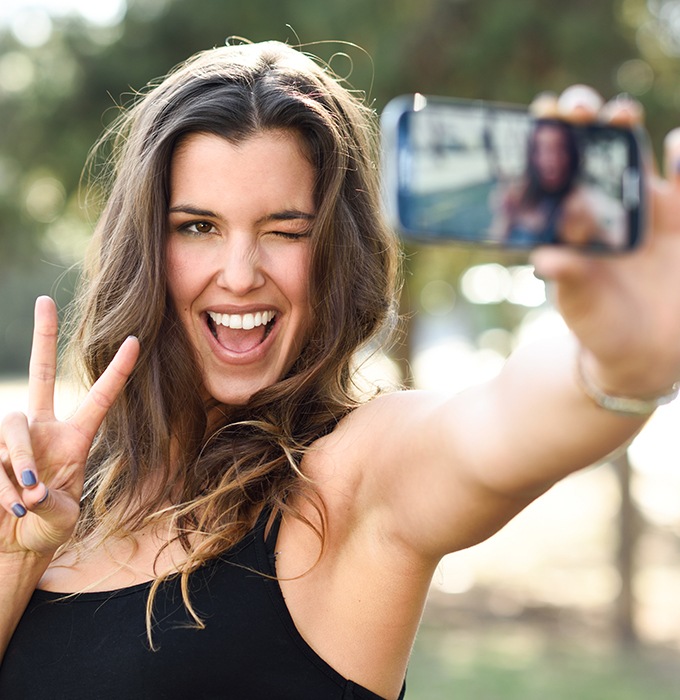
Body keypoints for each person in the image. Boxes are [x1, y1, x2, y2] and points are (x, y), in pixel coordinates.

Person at [1, 40, 680, 700]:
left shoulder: (349, 476)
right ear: (146, 246)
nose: (239, 275)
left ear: (333, 251)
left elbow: (496, 430)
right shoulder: (54, 492)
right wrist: (18, 554)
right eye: (198, 227)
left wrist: (624, 359)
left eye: (285, 230)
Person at [491, 117, 627, 249]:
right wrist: (505, 217)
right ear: (532, 154)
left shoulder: (583, 203)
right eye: (543, 149)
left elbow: (616, 235)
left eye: (559, 149)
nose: (551, 160)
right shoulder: (518, 195)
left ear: (572, 155)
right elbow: (496, 241)